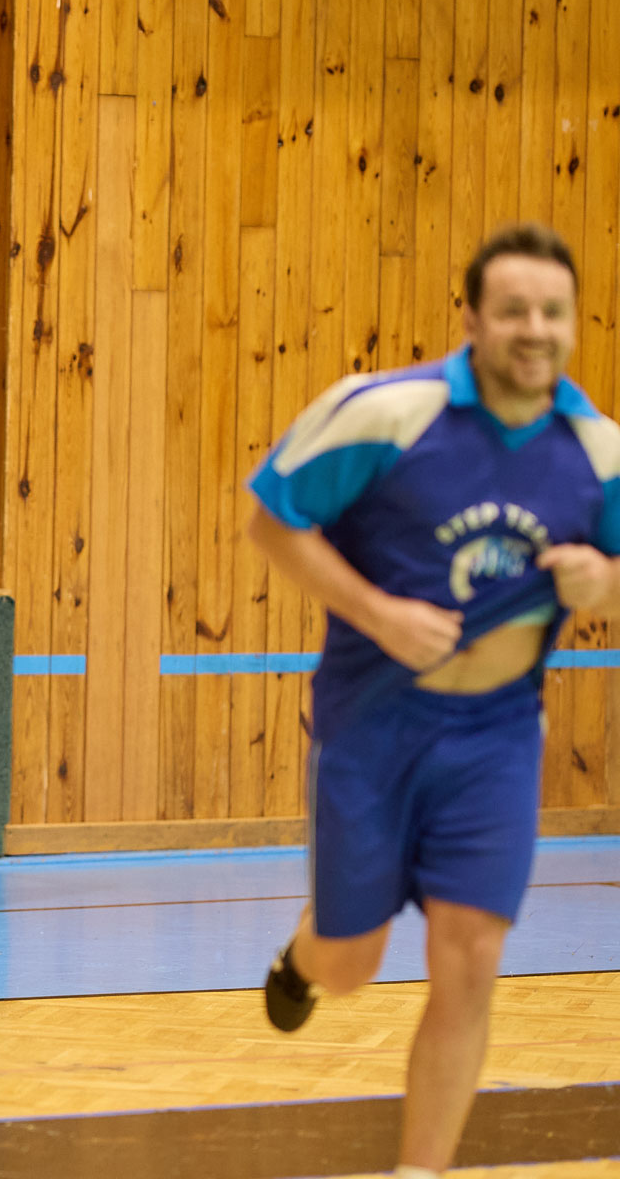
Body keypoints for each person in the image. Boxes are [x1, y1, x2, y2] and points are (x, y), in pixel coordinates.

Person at [247, 222, 620, 1178]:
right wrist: (378, 614)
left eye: (553, 312)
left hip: (497, 735)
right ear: (472, 320)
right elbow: (273, 519)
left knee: (471, 955)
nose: (534, 329)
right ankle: (305, 957)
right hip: (373, 724)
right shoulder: (383, 415)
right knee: (352, 964)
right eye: (513, 310)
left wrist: (604, 582)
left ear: (573, 322)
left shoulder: (599, 453)